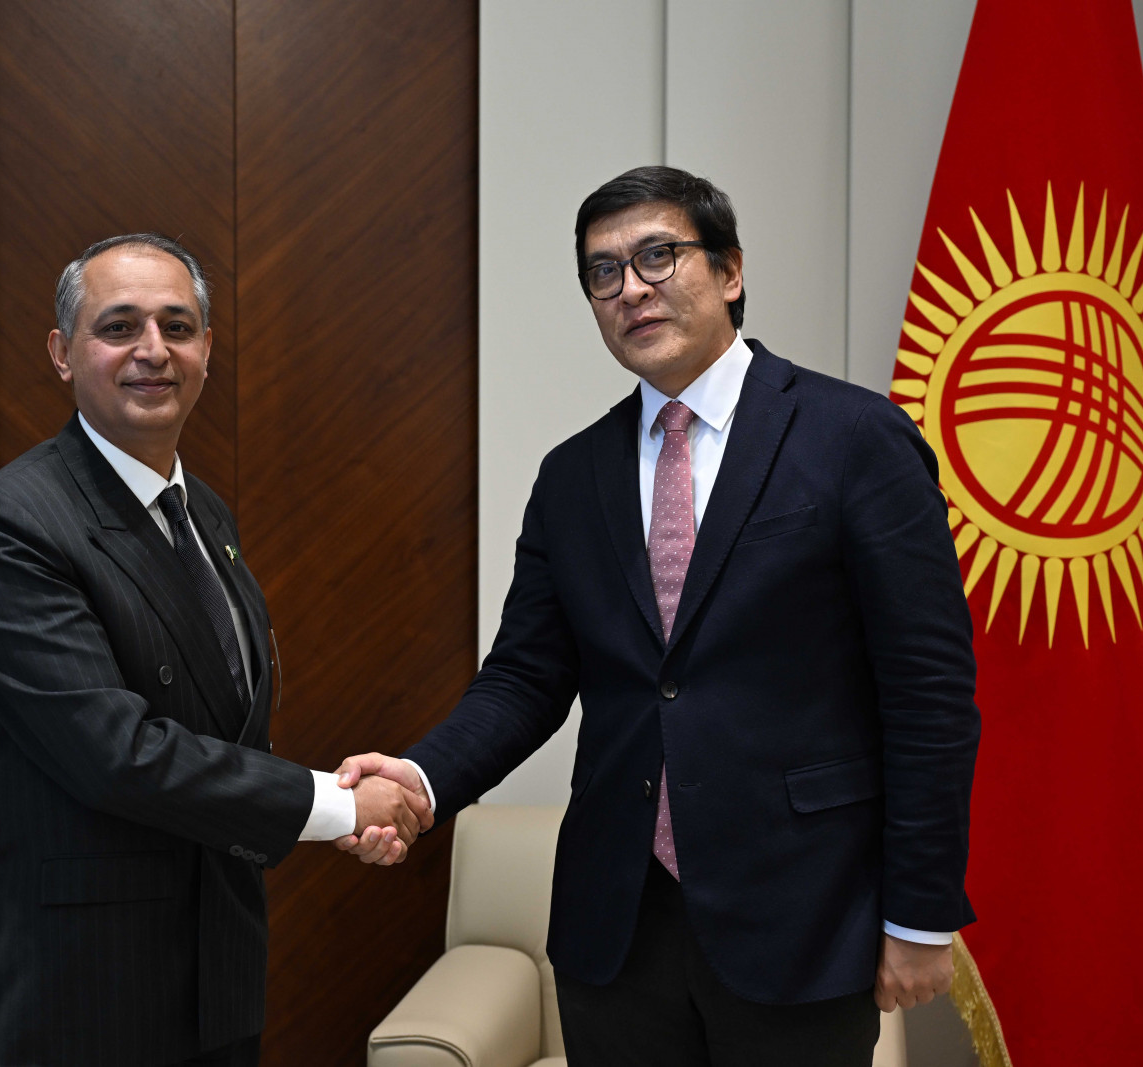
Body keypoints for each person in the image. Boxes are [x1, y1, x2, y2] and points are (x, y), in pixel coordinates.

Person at [335, 167, 979, 1066]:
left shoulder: (855, 438)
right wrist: (420, 777)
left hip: (802, 914)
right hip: (617, 927)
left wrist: (919, 912)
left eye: (658, 256)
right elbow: (524, 678)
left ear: (730, 271)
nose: (631, 288)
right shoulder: (573, 475)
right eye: (604, 272)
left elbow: (929, 692)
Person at [0, 233, 429, 1067]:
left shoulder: (206, 513)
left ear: (206, 349)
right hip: (74, 1000)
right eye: (119, 326)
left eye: (178, 325)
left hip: (214, 979)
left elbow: (226, 726)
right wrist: (338, 806)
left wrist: (337, 810)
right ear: (62, 353)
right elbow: (113, 753)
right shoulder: (8, 524)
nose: (153, 349)